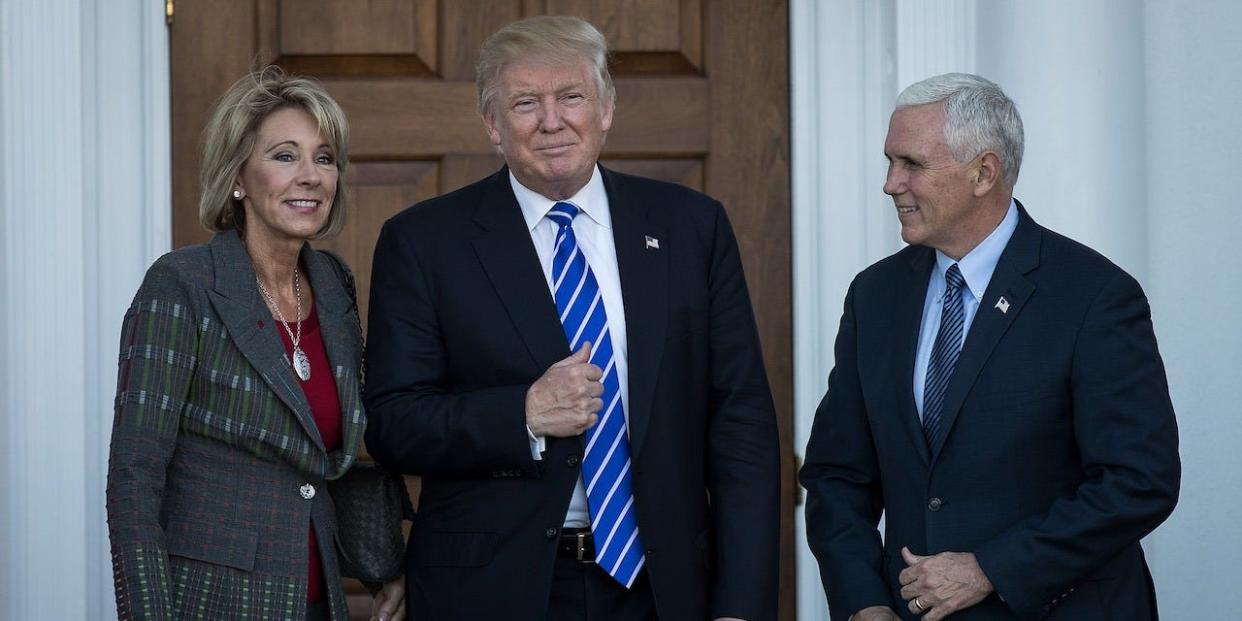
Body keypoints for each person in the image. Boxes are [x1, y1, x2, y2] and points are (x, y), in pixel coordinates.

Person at [363, 15, 780, 621]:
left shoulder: (691, 226)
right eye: (526, 103)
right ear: (492, 125)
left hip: (662, 588)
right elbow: (394, 423)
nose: (552, 120)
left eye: (572, 97)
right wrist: (523, 414)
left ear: (605, 108)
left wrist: (741, 603)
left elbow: (740, 423)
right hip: (495, 590)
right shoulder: (425, 242)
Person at [800, 73, 1180, 621]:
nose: (890, 183)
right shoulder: (875, 295)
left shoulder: (1093, 295)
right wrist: (864, 603)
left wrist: (991, 568)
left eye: (912, 164)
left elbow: (1140, 481)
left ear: (984, 172)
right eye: (889, 161)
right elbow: (838, 475)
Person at [106, 67, 406, 621]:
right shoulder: (182, 284)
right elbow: (135, 473)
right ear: (239, 176)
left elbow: (342, 446)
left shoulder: (333, 284)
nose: (311, 176)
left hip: (319, 597)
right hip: (214, 599)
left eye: (324, 157)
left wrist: (383, 563)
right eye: (285, 156)